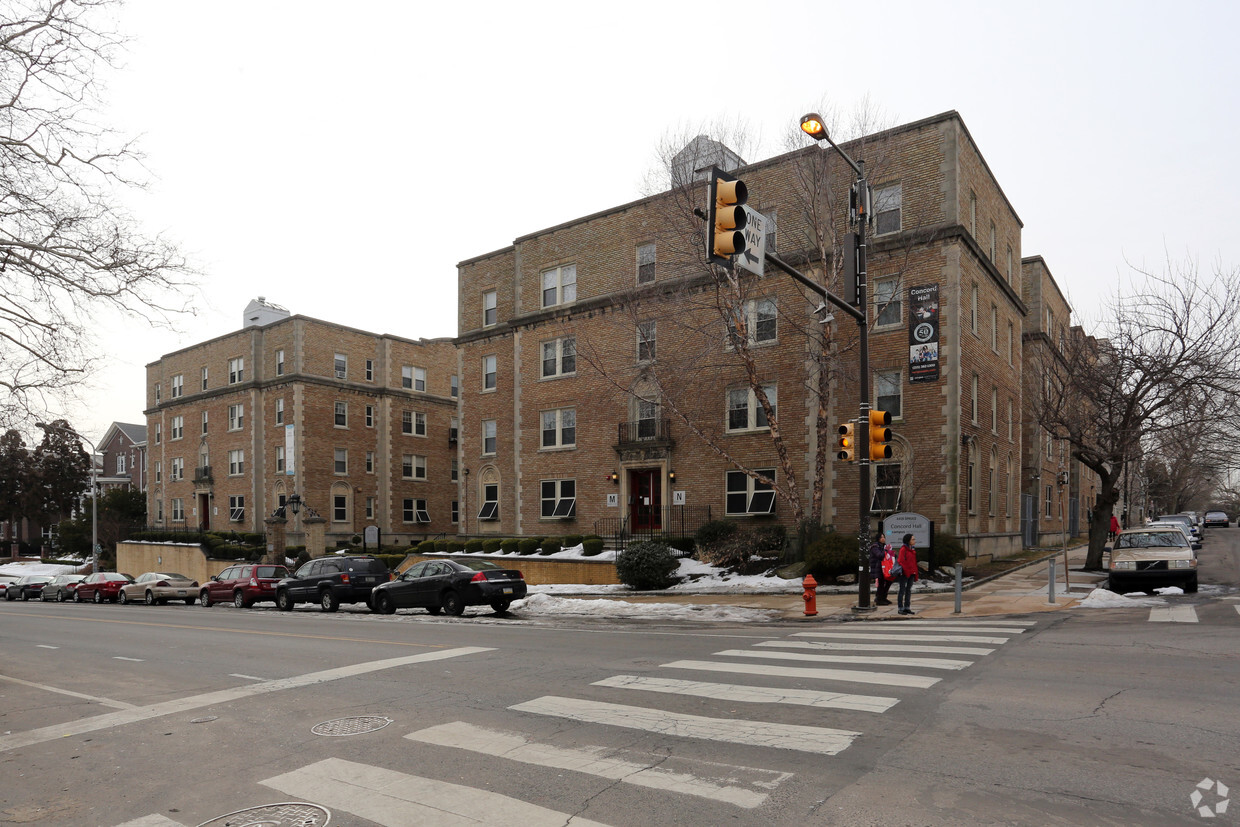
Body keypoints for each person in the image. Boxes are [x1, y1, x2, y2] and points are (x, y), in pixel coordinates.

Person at [896, 533, 919, 615]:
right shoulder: (903, 549)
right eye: (912, 539)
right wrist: (906, 570)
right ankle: (900, 607)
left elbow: (913, 562)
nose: (914, 541)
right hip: (904, 573)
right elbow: (901, 561)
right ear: (908, 540)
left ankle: (907, 607)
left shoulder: (912, 550)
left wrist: (915, 572)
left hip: (912, 572)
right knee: (902, 590)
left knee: (908, 590)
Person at [868, 532, 893, 606]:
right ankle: (879, 599)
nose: (883, 539)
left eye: (884, 537)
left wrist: (891, 553)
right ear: (878, 539)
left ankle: (883, 597)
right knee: (881, 584)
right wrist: (886, 550)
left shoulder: (883, 546)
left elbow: (888, 555)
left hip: (884, 567)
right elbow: (880, 555)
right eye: (881, 537)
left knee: (888, 582)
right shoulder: (875, 547)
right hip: (878, 568)